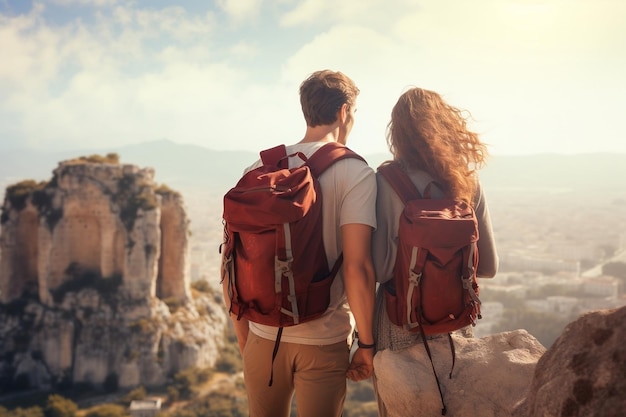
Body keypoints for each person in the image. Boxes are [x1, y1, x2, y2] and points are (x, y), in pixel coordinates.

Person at [221, 70, 377, 417]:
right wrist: (366, 344)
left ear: (306, 110)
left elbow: (231, 259)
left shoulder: (260, 167)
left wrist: (245, 335)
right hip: (324, 339)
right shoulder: (356, 173)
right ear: (344, 112)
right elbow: (357, 267)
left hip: (261, 334)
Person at [371, 87, 499, 416]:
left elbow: (383, 270)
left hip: (399, 322)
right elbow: (487, 267)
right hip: (455, 322)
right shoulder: (468, 182)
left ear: (396, 133)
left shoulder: (387, 181)